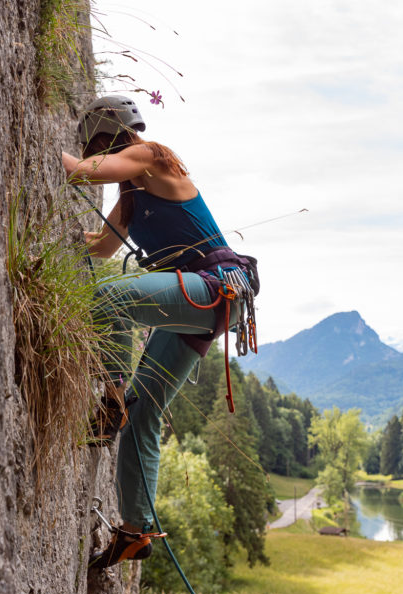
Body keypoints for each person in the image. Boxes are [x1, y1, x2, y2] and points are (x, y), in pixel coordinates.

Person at [62, 95, 258, 568]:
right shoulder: (131, 196)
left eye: (99, 147)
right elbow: (104, 248)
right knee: (144, 413)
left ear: (111, 138)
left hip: (215, 285)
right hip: (204, 300)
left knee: (112, 300)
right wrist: (70, 238)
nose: (97, 155)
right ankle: (134, 530)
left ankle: (109, 398)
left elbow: (78, 170)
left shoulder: (150, 157)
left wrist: (46, 144)